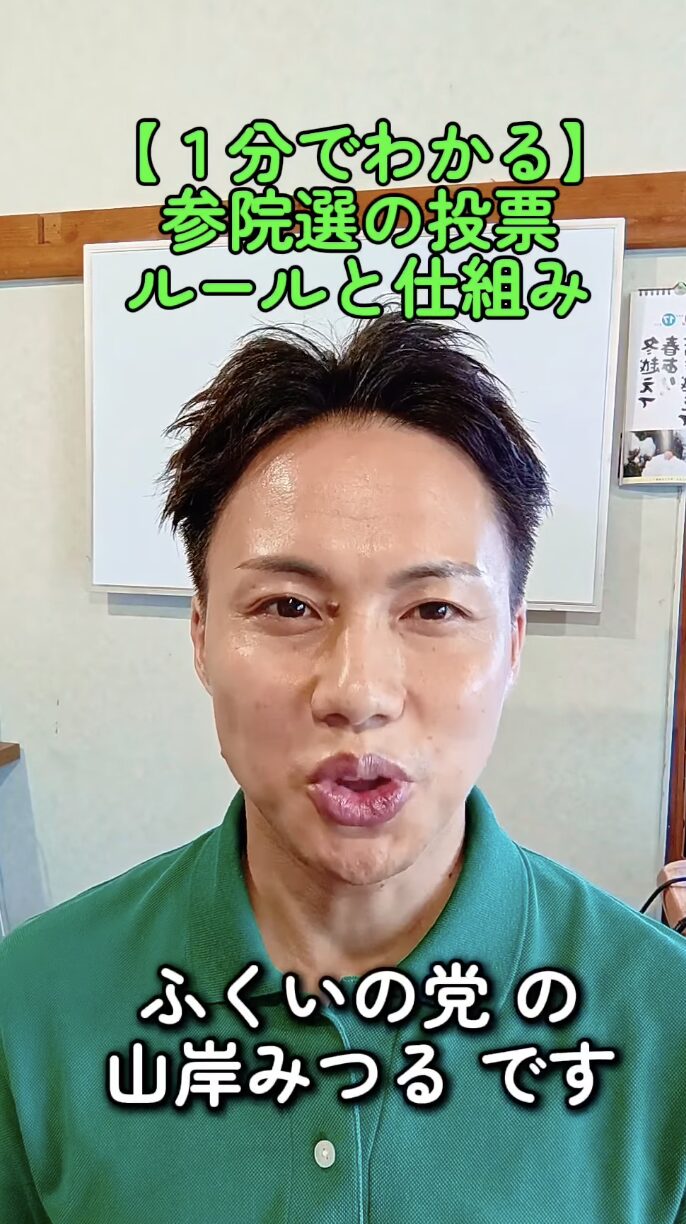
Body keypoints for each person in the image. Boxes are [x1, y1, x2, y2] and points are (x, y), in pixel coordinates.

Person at [1, 311, 685, 1224]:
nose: (359, 692)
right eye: (288, 606)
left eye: (434, 610)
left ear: (514, 644)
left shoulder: (665, 1023)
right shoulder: (31, 1006)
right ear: (201, 637)